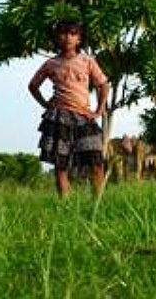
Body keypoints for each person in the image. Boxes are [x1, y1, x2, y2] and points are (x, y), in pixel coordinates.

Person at [28, 20, 109, 198]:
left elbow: (103, 85)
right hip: (59, 117)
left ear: (79, 39)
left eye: (73, 34)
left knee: (96, 161)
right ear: (57, 38)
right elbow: (33, 86)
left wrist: (99, 109)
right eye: (63, 34)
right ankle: (64, 205)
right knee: (61, 164)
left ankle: (98, 204)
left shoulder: (87, 61)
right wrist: (45, 104)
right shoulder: (51, 63)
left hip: (84, 116)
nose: (67, 38)